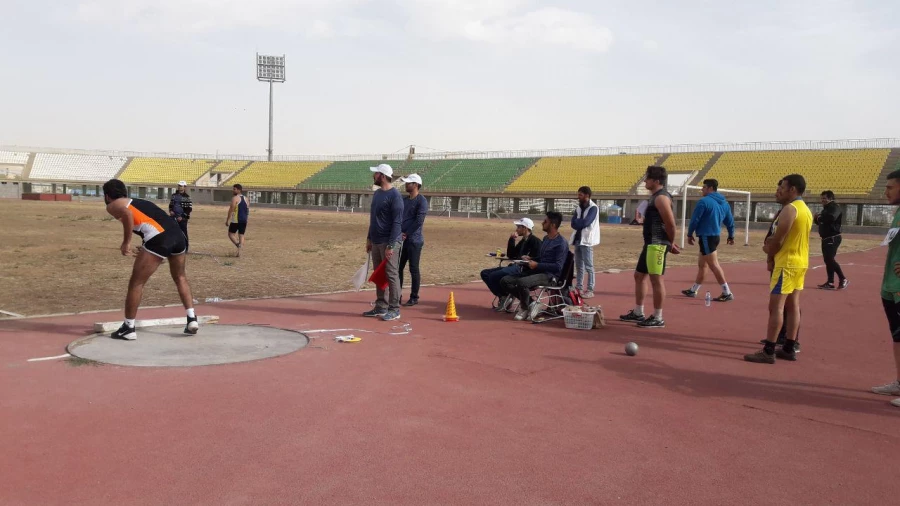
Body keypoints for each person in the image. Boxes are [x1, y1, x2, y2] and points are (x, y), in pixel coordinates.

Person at [102, 179, 198, 340]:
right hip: (178, 236)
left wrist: (126, 243)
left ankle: (128, 327)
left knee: (136, 282)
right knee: (180, 277)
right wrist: (149, 245)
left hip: (159, 239)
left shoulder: (114, 205)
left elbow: (127, 214)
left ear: (106, 195)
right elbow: (153, 223)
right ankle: (192, 318)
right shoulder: (138, 202)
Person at [745, 174, 812, 364]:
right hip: (800, 262)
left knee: (776, 307)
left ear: (792, 189)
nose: (779, 190)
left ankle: (769, 350)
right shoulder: (805, 209)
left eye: (782, 187)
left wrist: (768, 250)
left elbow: (778, 239)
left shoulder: (790, 209)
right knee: (793, 306)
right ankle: (789, 346)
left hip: (787, 263)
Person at [620, 166, 681, 328]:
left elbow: (671, 224)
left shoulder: (661, 198)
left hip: (657, 244)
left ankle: (658, 317)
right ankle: (639, 312)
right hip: (650, 244)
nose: (645, 181)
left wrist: (669, 243)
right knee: (639, 276)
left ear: (656, 181)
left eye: (647, 178)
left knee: (656, 280)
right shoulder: (654, 198)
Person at [500, 212, 569, 321]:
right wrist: (531, 259)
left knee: (522, 282)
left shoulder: (561, 243)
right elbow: (542, 258)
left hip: (549, 276)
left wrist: (537, 264)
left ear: (553, 225)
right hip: (538, 270)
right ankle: (532, 304)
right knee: (505, 280)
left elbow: (558, 267)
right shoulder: (546, 238)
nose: (542, 223)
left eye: (545, 221)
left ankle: (524, 308)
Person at [871, 170, 900, 407]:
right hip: (890, 284)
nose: (886, 191)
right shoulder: (898, 212)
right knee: (897, 335)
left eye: (890, 187)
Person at [682, 179, 736, 301]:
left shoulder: (704, 202)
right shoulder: (724, 203)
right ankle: (693, 289)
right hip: (714, 236)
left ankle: (727, 292)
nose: (702, 189)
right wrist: (731, 235)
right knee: (702, 265)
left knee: (713, 265)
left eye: (704, 187)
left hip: (707, 236)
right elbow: (730, 222)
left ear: (710, 188)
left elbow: (695, 219)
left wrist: (690, 234)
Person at [364, 164, 404, 321]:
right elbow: (373, 218)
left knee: (391, 274)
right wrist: (369, 238)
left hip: (389, 241)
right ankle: (381, 306)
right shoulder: (377, 194)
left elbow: (397, 223)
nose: (373, 176)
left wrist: (391, 245)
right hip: (376, 241)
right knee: (379, 275)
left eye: (376, 174)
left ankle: (394, 308)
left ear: (382, 176)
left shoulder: (395, 196)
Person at [481, 217, 542, 312]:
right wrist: (511, 240)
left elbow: (538, 258)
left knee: (494, 276)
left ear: (525, 228)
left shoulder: (536, 241)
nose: (516, 229)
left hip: (522, 268)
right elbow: (511, 255)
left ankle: (507, 296)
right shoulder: (523, 241)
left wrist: (529, 259)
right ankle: (503, 296)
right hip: (515, 266)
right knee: (485, 273)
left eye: (518, 227)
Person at [397, 173, 428, 307]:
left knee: (413, 269)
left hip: (414, 241)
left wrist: (407, 233)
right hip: (401, 239)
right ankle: (397, 295)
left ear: (415, 185)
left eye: (408, 183)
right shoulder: (404, 200)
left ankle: (414, 297)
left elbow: (419, 221)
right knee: (398, 268)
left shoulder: (422, 201)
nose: (406, 185)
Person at [815, 190, 849, 290]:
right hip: (826, 238)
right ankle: (830, 282)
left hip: (833, 237)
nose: (822, 200)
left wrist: (819, 217)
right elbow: (821, 221)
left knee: (830, 259)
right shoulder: (825, 209)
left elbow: (831, 218)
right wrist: (817, 218)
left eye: (824, 198)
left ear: (830, 198)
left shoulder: (834, 207)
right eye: (821, 198)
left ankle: (843, 279)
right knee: (827, 260)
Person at [570, 186, 600, 298]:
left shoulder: (593, 208)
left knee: (589, 266)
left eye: (580, 195)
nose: (578, 197)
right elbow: (573, 223)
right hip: (578, 239)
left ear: (587, 196)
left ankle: (590, 289)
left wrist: (579, 222)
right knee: (579, 265)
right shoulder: (578, 208)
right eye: (578, 194)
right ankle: (579, 287)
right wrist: (579, 222)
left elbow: (586, 222)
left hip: (587, 240)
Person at [226, 184, 250, 257]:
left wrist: (227, 220)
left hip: (236, 220)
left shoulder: (235, 198)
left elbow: (231, 209)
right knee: (241, 235)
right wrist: (246, 219)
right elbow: (247, 210)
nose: (233, 190)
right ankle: (240, 251)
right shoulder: (246, 199)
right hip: (244, 219)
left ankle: (238, 245)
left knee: (230, 234)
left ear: (239, 190)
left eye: (234, 189)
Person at [168, 181, 192, 251]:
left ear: (184, 187)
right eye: (179, 185)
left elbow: (189, 209)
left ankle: (185, 248)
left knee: (183, 233)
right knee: (172, 232)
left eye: (181, 186)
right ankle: (172, 247)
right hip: (173, 217)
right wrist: (171, 211)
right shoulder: (174, 195)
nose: (180, 187)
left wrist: (182, 217)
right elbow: (170, 205)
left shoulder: (186, 197)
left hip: (183, 219)